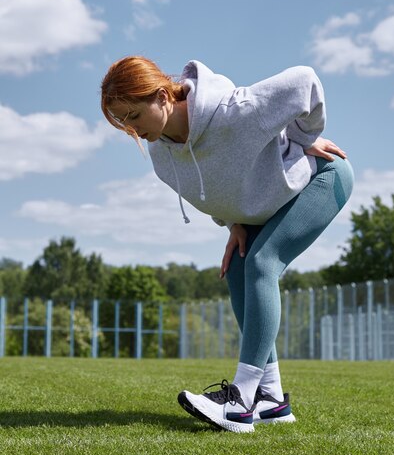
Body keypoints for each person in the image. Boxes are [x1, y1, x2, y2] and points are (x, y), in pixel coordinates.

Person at [101, 56, 354, 434]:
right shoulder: (162, 158)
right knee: (239, 265)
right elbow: (215, 190)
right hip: (265, 206)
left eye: (133, 116)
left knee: (262, 263)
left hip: (320, 179)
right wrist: (233, 223)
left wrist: (304, 138)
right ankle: (272, 397)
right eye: (122, 123)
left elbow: (305, 80)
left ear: (161, 97)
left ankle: (240, 401)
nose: (132, 130)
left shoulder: (233, 112)